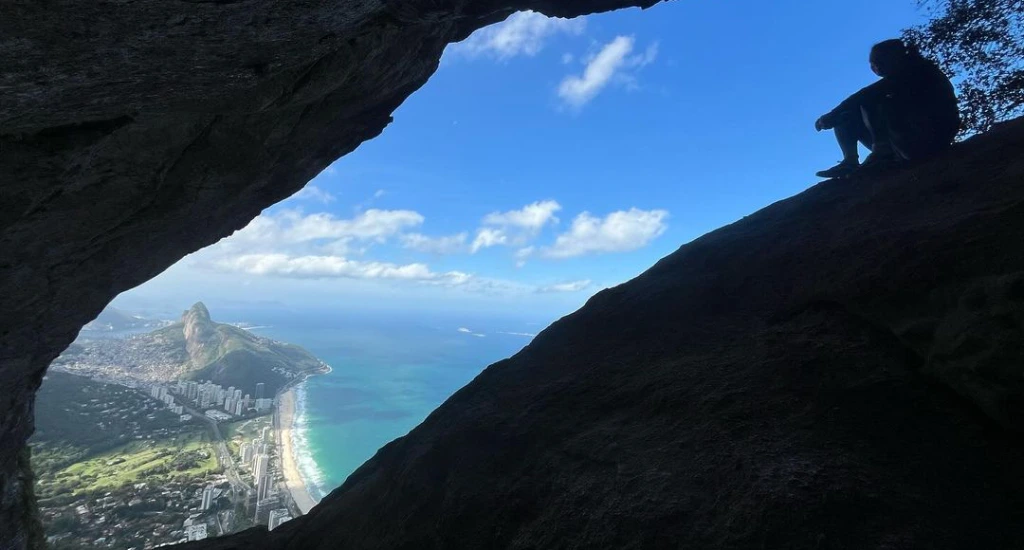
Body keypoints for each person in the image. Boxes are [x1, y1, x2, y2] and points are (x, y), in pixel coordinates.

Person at [814, 39, 960, 178]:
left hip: (930, 137)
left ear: (895, 57)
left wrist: (831, 115)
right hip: (908, 138)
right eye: (872, 64)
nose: (875, 68)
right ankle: (850, 161)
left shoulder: (917, 70)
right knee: (846, 115)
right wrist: (836, 115)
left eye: (878, 62)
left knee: (870, 101)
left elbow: (866, 95)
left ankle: (882, 153)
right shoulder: (900, 78)